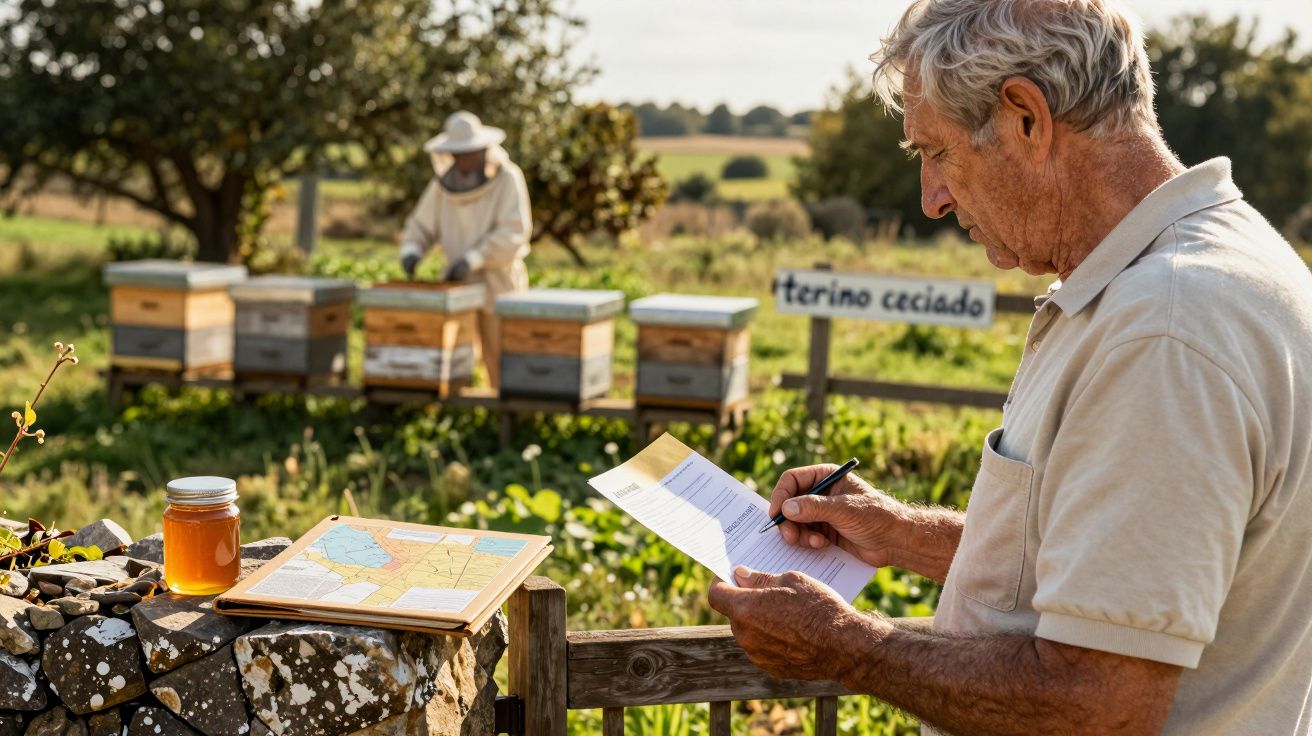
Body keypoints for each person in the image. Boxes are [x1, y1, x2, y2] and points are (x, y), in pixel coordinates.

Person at [707, 1, 1312, 733]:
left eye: (936, 152)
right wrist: (898, 532)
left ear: (1025, 116)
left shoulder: (1163, 332)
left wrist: (849, 646)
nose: (931, 199)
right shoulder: (1218, 261)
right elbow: (1124, 563)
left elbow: (1099, 705)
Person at [400, 110, 532, 389]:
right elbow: (421, 224)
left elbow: (514, 232)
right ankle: (467, 418)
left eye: (469, 152)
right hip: (458, 286)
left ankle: (502, 419)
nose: (463, 160)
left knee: (501, 357)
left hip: (499, 285)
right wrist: (412, 249)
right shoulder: (442, 186)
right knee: (458, 358)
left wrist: (474, 258)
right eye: (457, 154)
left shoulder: (508, 179)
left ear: (483, 149)